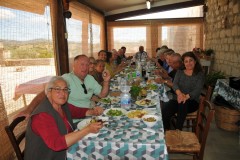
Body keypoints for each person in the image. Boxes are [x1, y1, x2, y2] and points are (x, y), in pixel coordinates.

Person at [24, 76, 103, 160]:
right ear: (49, 92)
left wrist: (93, 111)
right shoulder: (42, 116)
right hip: (48, 156)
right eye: (58, 89)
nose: (63, 93)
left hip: (66, 151)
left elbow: (77, 111)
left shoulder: (62, 105)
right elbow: (57, 144)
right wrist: (87, 129)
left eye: (65, 89)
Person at [16, 55, 110, 119]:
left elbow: (102, 95)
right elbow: (45, 93)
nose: (85, 67)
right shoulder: (66, 79)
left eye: (87, 64)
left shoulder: (90, 78)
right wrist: (29, 109)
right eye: (81, 64)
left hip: (91, 113)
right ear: (74, 66)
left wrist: (106, 81)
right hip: (76, 119)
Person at [161, 51, 205, 130]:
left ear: (195, 61)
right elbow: (175, 84)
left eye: (191, 60)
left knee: (183, 103)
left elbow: (197, 90)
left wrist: (185, 97)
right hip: (178, 98)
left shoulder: (200, 74)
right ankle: (167, 131)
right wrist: (180, 94)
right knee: (164, 109)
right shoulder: (180, 72)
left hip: (192, 101)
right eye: (186, 61)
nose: (189, 63)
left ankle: (178, 131)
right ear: (183, 63)